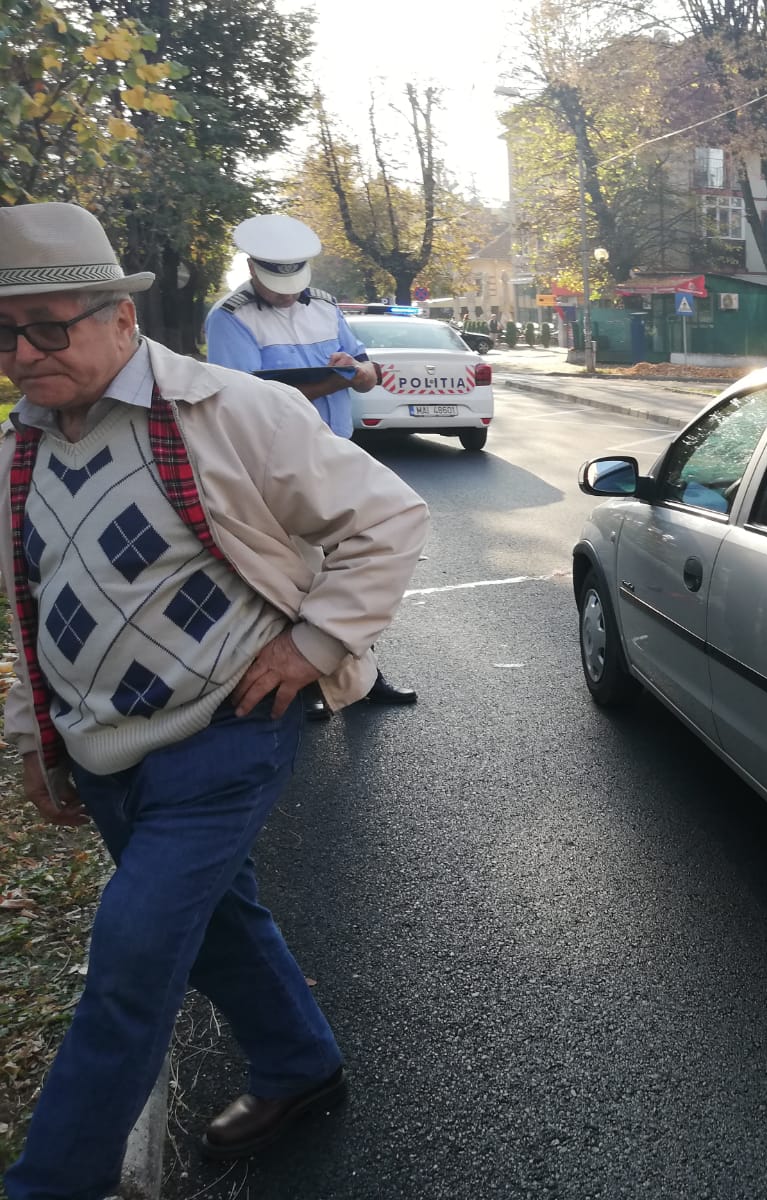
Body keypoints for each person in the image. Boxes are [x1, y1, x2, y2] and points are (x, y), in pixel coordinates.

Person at [0, 202, 429, 1200]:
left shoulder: (229, 412)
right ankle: (300, 1066)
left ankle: (53, 1182)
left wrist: (313, 641)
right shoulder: (20, 449)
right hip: (101, 748)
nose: (22, 355)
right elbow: (30, 602)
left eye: (48, 329)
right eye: (4, 333)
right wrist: (33, 736)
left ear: (120, 318)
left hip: (224, 733)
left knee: (131, 961)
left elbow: (388, 516)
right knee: (220, 921)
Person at [205, 214, 418, 712]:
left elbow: (367, 370)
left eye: (294, 283)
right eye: (275, 284)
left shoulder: (324, 305)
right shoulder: (230, 318)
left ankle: (360, 678)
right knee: (301, 576)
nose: (286, 295)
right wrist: (331, 381)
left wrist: (357, 372)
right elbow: (243, 400)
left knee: (356, 572)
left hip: (337, 452)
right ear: (252, 268)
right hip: (274, 466)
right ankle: (314, 683)